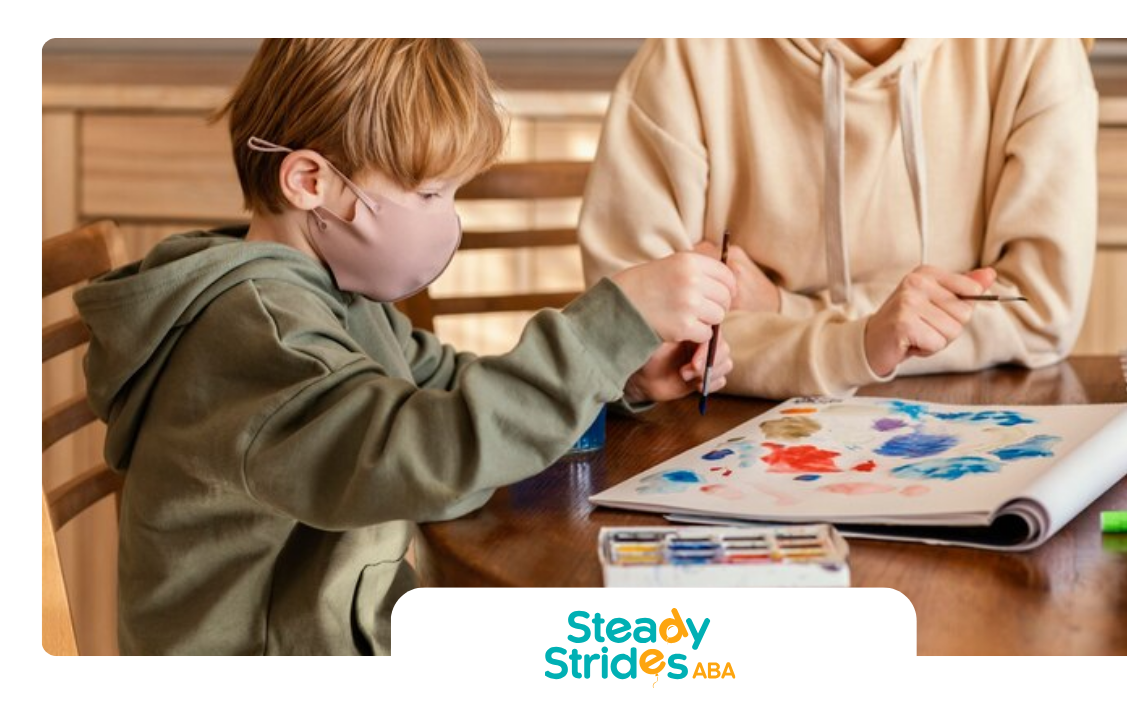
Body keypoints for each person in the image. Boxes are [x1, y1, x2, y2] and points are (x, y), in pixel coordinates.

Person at [73, 39, 734, 655]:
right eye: (428, 192)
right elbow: (423, 458)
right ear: (311, 183)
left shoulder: (333, 298)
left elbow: (446, 387)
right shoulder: (258, 332)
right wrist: (603, 328)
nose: (447, 218)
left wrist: (621, 377)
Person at [580, 38, 1098, 399]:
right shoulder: (685, 53)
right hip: (732, 444)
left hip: (971, 433)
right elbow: (636, 342)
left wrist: (782, 308)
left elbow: (1039, 313)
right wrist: (863, 337)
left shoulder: (1037, 44)